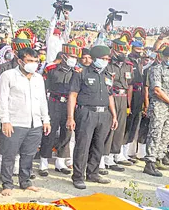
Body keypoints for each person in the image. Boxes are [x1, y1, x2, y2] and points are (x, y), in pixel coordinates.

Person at [0, 47, 50, 196]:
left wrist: (46, 119)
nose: (33, 64)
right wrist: (5, 121)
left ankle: (25, 181)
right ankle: (7, 183)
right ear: (20, 61)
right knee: (9, 154)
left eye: (36, 61)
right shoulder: (8, 76)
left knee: (29, 154)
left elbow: (42, 101)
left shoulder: (38, 78)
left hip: (35, 123)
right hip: (14, 122)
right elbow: (2, 100)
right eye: (30, 61)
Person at [66, 45, 117, 189]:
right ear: (94, 58)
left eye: (107, 59)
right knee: (83, 145)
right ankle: (78, 176)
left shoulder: (108, 75)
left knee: (98, 145)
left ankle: (93, 173)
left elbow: (110, 96)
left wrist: (114, 115)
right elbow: (73, 95)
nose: (105, 61)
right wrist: (70, 117)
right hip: (86, 113)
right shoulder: (81, 73)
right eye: (103, 58)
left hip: (104, 114)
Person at [38, 39, 81, 177]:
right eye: (71, 56)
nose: (73, 60)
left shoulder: (77, 72)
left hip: (68, 105)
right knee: (49, 133)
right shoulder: (50, 69)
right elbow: (43, 90)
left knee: (66, 133)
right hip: (53, 103)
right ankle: (43, 162)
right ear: (63, 55)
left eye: (75, 57)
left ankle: (60, 162)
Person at [143, 46, 169, 175]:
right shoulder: (156, 69)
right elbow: (157, 90)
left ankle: (159, 158)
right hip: (160, 106)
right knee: (155, 133)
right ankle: (150, 162)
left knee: (166, 133)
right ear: (164, 57)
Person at [102, 38, 133, 172]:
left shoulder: (128, 65)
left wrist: (128, 104)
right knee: (110, 127)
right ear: (114, 50)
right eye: (121, 50)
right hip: (111, 96)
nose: (123, 53)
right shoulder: (107, 65)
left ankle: (115, 154)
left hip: (123, 97)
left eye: (125, 50)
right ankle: (105, 157)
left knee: (120, 128)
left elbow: (130, 85)